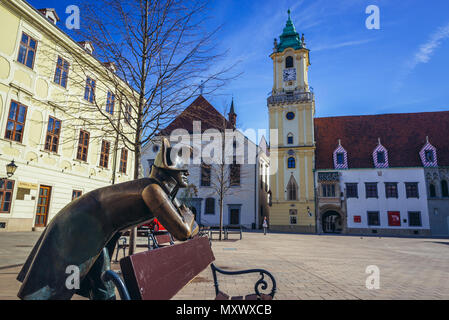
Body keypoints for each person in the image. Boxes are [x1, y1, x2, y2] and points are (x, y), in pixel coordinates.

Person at [17, 138, 198, 300]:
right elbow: (183, 232)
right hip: (83, 225)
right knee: (58, 284)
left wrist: (188, 219)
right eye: (183, 168)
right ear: (168, 169)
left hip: (100, 231)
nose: (187, 172)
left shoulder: (161, 191)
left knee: (102, 286)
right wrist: (189, 217)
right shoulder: (152, 190)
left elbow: (189, 228)